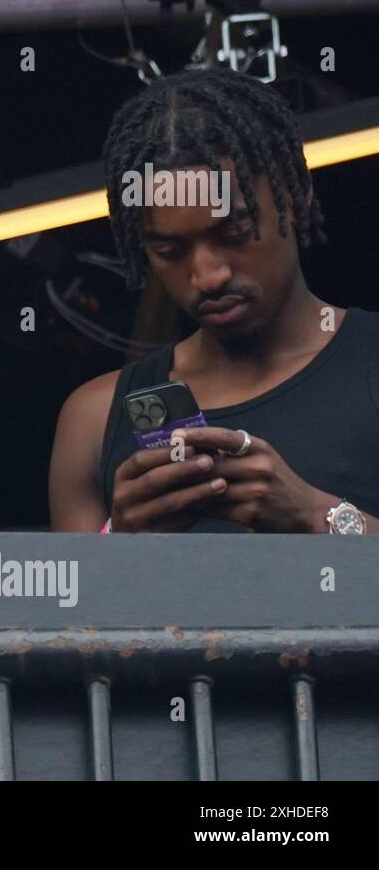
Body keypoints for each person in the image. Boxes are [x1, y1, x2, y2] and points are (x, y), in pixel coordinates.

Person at [50, 68, 378, 535]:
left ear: (298, 195)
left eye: (234, 234)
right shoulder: (94, 418)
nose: (207, 276)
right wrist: (122, 553)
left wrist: (317, 518)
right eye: (169, 252)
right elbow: (73, 608)